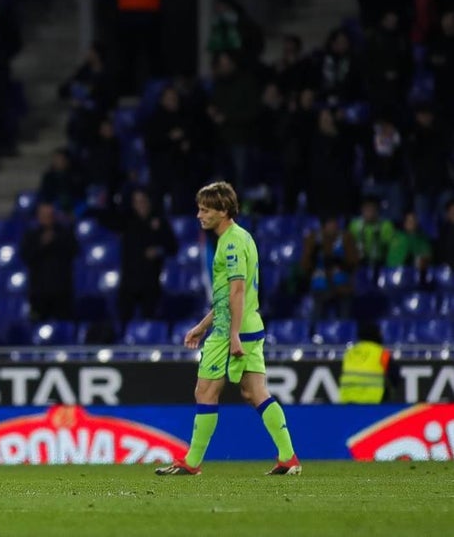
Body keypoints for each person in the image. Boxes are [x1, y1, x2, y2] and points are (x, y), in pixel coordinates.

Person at [156, 181, 300, 476]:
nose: (199, 215)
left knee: (205, 391)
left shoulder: (231, 243)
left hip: (230, 331)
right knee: (255, 392)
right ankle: (288, 458)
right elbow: (228, 296)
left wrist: (232, 334)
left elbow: (237, 291)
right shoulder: (241, 237)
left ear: (223, 210)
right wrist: (201, 326)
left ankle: (192, 463)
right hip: (249, 325)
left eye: (205, 210)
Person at [117, 189, 178, 328]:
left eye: (143, 201)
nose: (141, 205)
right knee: (123, 320)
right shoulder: (127, 222)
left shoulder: (159, 222)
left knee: (151, 321)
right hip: (129, 282)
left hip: (150, 282)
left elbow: (173, 247)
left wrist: (158, 250)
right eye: (137, 202)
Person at [20, 202, 79, 321]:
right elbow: (25, 256)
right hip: (38, 292)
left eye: (50, 215)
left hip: (61, 291)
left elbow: (74, 251)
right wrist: (41, 244)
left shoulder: (64, 233)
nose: (47, 218)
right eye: (44, 215)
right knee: (37, 323)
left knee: (63, 324)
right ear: (39, 216)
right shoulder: (32, 236)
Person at [300, 216, 360, 328]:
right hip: (320, 286)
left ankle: (344, 332)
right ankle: (314, 333)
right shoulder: (313, 238)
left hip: (342, 285)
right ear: (323, 226)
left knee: (344, 319)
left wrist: (340, 262)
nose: (332, 226)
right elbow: (305, 265)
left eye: (334, 223)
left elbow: (354, 262)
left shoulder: (346, 237)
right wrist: (313, 255)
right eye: (329, 223)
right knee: (317, 320)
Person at [339, 322, 396, 404]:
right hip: (372, 402)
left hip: (347, 402)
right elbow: (395, 376)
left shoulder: (350, 352)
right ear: (376, 334)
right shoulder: (381, 353)